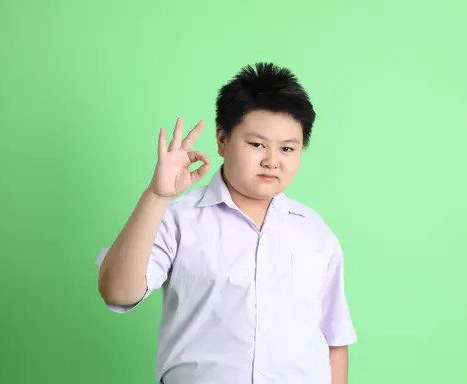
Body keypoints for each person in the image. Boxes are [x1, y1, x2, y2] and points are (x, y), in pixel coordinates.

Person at [96, 62, 357, 384]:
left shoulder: (315, 232)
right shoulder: (179, 218)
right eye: (256, 144)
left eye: (287, 148)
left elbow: (334, 339)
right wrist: (156, 195)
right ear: (222, 139)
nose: (272, 161)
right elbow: (118, 292)